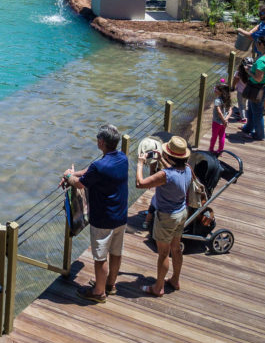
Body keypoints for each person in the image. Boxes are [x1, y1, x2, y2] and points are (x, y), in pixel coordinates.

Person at [61, 124, 129, 303]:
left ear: (101, 142)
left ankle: (99, 292)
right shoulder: (122, 158)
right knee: (116, 252)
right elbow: (90, 171)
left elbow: (81, 183)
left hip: (103, 218)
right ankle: (110, 285)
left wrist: (68, 177)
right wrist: (74, 173)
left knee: (100, 257)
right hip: (121, 215)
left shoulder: (99, 166)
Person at [135, 135, 192, 297]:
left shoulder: (165, 175)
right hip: (181, 213)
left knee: (163, 253)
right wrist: (162, 159)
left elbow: (140, 184)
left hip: (166, 217)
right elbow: (173, 172)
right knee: (176, 248)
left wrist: (140, 164)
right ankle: (175, 280)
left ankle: (158, 287)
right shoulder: (187, 169)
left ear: (169, 155)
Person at [241, 35, 265, 141]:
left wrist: (248, 71)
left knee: (257, 113)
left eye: (257, 42)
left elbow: (258, 78)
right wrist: (253, 68)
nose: (256, 44)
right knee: (252, 109)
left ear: (262, 44)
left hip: (259, 88)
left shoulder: (262, 60)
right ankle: (248, 128)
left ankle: (259, 135)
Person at [209, 79, 232, 154]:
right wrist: (226, 119)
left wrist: (222, 120)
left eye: (216, 89)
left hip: (217, 122)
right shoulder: (227, 99)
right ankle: (220, 151)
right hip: (224, 123)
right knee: (222, 136)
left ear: (221, 92)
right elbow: (230, 110)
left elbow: (219, 111)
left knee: (214, 137)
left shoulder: (217, 100)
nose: (215, 90)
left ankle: (211, 149)